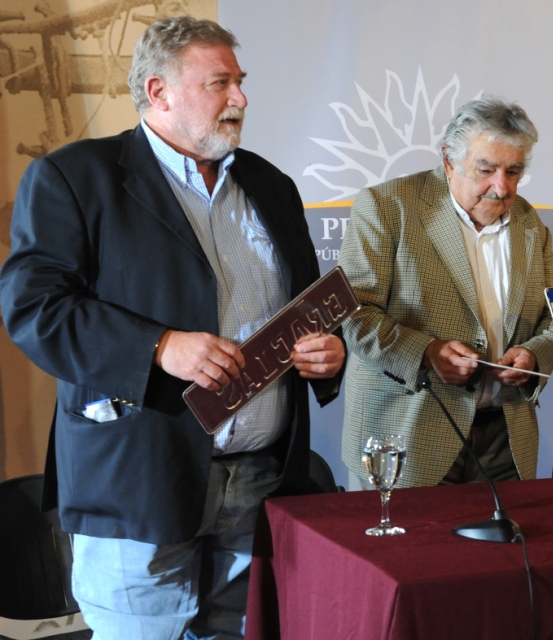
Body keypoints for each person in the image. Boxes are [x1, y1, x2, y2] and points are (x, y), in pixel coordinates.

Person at [0, 17, 345, 640]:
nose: (241, 98)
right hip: (139, 483)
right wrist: (158, 347)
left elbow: (300, 309)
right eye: (220, 83)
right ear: (158, 92)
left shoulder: (272, 186)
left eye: (240, 81)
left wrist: (327, 354)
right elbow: (35, 309)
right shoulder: (75, 177)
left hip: (260, 483)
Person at [338, 97, 553, 488]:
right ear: (449, 161)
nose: (502, 187)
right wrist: (427, 353)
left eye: (514, 171)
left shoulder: (528, 221)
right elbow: (355, 314)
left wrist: (533, 355)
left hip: (504, 439)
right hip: (406, 438)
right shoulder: (386, 206)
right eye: (486, 170)